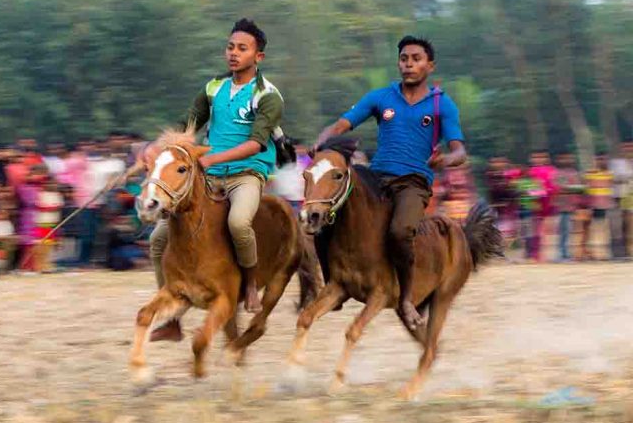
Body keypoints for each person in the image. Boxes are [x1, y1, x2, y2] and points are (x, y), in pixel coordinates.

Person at [312, 35, 466, 332]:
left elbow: (460, 151)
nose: (409, 64)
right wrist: (322, 140)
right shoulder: (380, 97)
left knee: (399, 231)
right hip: (376, 178)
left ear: (430, 65)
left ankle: (407, 298)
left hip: (413, 182)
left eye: (416, 59)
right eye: (404, 58)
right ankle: (333, 281)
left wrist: (444, 160)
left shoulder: (441, 104)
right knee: (323, 220)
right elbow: (342, 124)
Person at [144, 18, 284, 318]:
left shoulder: (268, 95)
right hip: (209, 177)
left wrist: (210, 159)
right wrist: (156, 148)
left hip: (247, 174)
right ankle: (171, 308)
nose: (233, 53)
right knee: (158, 238)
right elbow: (188, 123)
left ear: (258, 56)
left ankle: (248, 284)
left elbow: (257, 144)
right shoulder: (213, 87)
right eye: (230, 47)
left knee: (238, 224)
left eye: (242, 48)